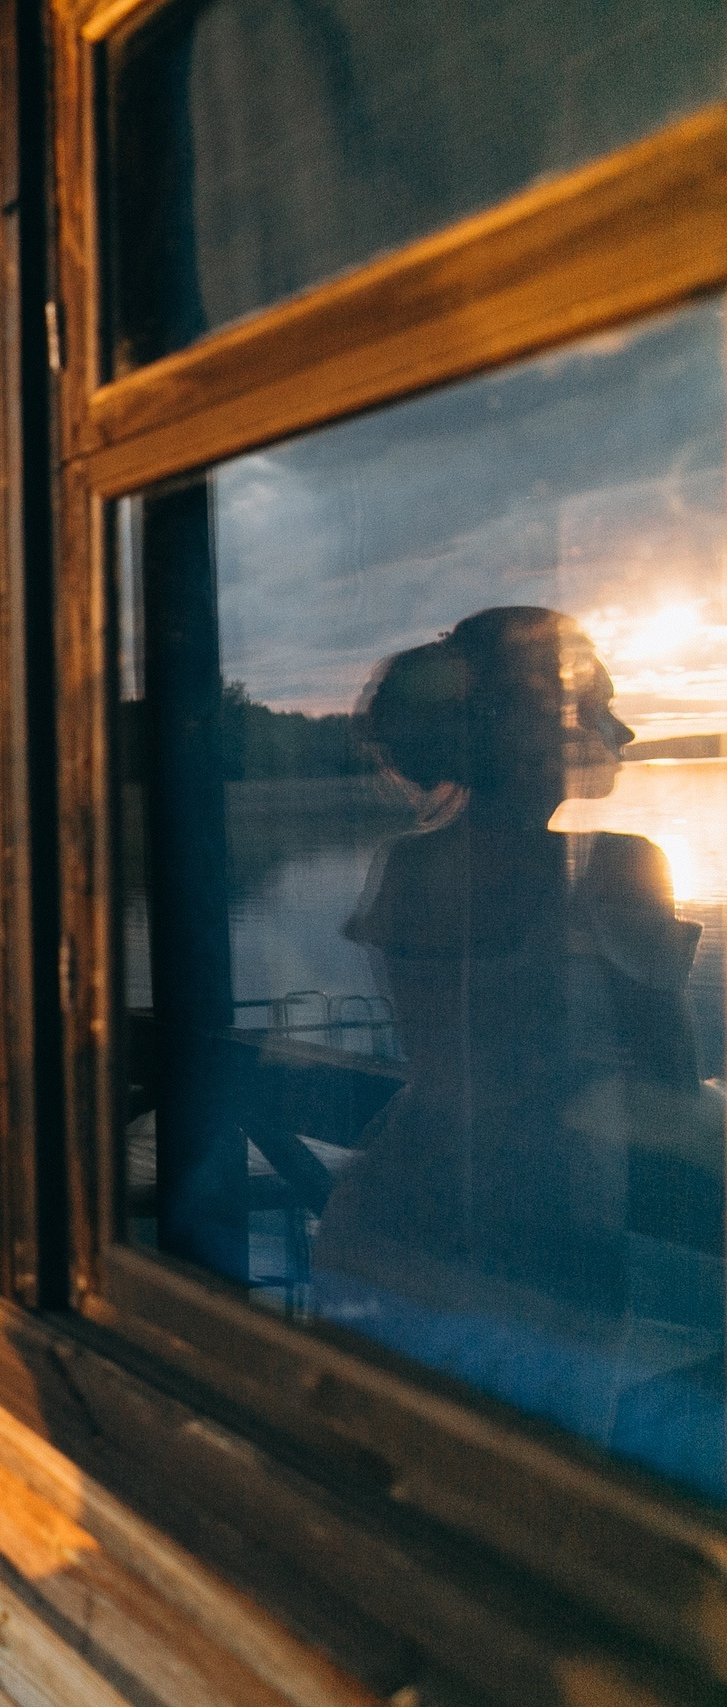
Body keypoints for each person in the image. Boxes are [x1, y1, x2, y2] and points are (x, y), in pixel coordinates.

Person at [317, 605, 723, 1495]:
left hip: (387, 1216)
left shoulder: (405, 862)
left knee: (385, 1500)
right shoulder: (617, 864)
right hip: (543, 1241)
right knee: (538, 1511)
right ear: (534, 727)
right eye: (598, 704)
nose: (621, 730)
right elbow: (671, 1080)